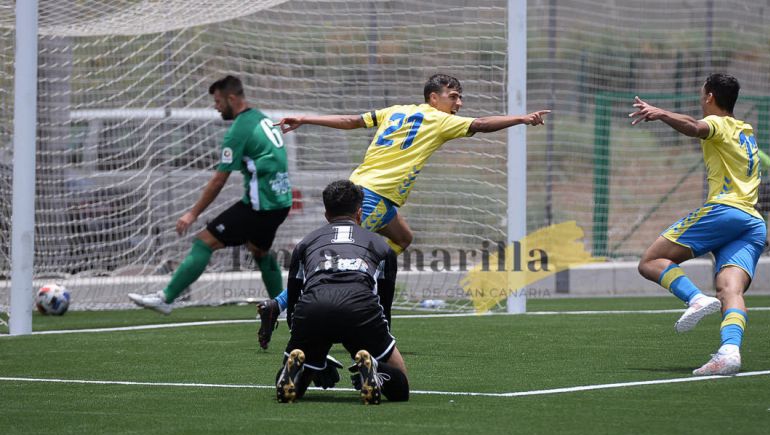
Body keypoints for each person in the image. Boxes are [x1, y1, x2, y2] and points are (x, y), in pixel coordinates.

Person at [262, 74, 550, 349]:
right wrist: (521, 119)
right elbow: (482, 124)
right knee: (340, 256)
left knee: (402, 239)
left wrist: (305, 118)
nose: (459, 103)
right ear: (433, 98)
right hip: (372, 197)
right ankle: (280, 304)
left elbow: (351, 121)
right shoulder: (438, 119)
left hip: (370, 192)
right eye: (453, 97)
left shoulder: (396, 111)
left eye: (461, 97)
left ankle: (368, 278)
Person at [128, 75, 292, 346]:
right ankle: (285, 309)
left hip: (260, 205)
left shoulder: (238, 129)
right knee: (259, 251)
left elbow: (219, 178)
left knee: (204, 241)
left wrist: (192, 213)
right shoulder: (262, 118)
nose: (215, 107)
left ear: (231, 98)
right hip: (278, 202)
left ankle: (166, 298)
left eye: (217, 101)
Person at [630, 73, 767, 376]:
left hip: (725, 212)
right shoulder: (745, 130)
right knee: (731, 291)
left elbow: (694, 127)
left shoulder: (718, 125)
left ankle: (694, 298)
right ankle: (729, 352)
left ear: (709, 97)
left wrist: (662, 113)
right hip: (752, 222)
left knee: (651, 261)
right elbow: (699, 124)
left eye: (701, 94)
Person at [275, 180, 409, 404]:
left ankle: (298, 372)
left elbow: (293, 305)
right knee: (401, 388)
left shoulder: (305, 243)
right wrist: (377, 349)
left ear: (326, 214)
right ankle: (377, 372)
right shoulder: (381, 246)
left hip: (313, 309)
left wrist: (313, 356)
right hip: (360, 308)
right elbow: (384, 308)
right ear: (359, 213)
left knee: (300, 378)